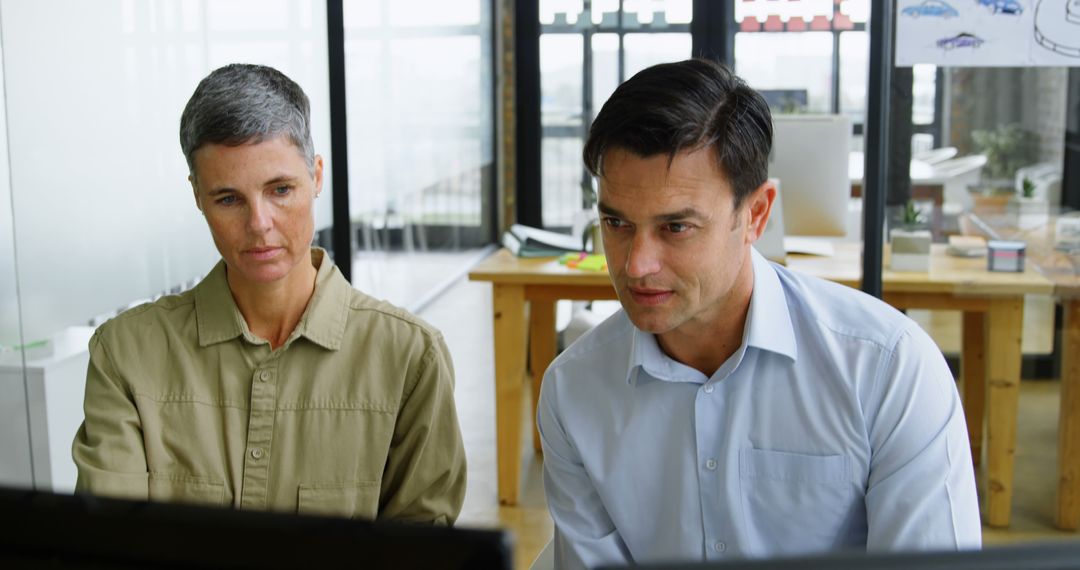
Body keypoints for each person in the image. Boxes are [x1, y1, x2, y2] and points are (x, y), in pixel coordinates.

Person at [537, 59, 980, 568]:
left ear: (756, 215)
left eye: (676, 227)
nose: (637, 264)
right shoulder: (574, 391)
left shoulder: (888, 369)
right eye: (615, 221)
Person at [72, 64, 466, 524]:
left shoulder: (411, 359)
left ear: (316, 176)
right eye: (228, 199)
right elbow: (111, 544)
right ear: (197, 196)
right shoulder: (124, 354)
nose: (259, 224)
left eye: (280, 190)